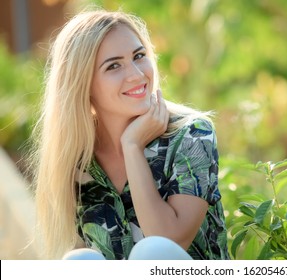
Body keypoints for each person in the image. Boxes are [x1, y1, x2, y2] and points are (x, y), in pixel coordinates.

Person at [28, 9, 230, 260]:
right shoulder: (78, 159)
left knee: (152, 251)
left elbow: (167, 242)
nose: (136, 74)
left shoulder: (192, 134)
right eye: (113, 66)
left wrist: (132, 146)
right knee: (78, 261)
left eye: (139, 56)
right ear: (83, 83)